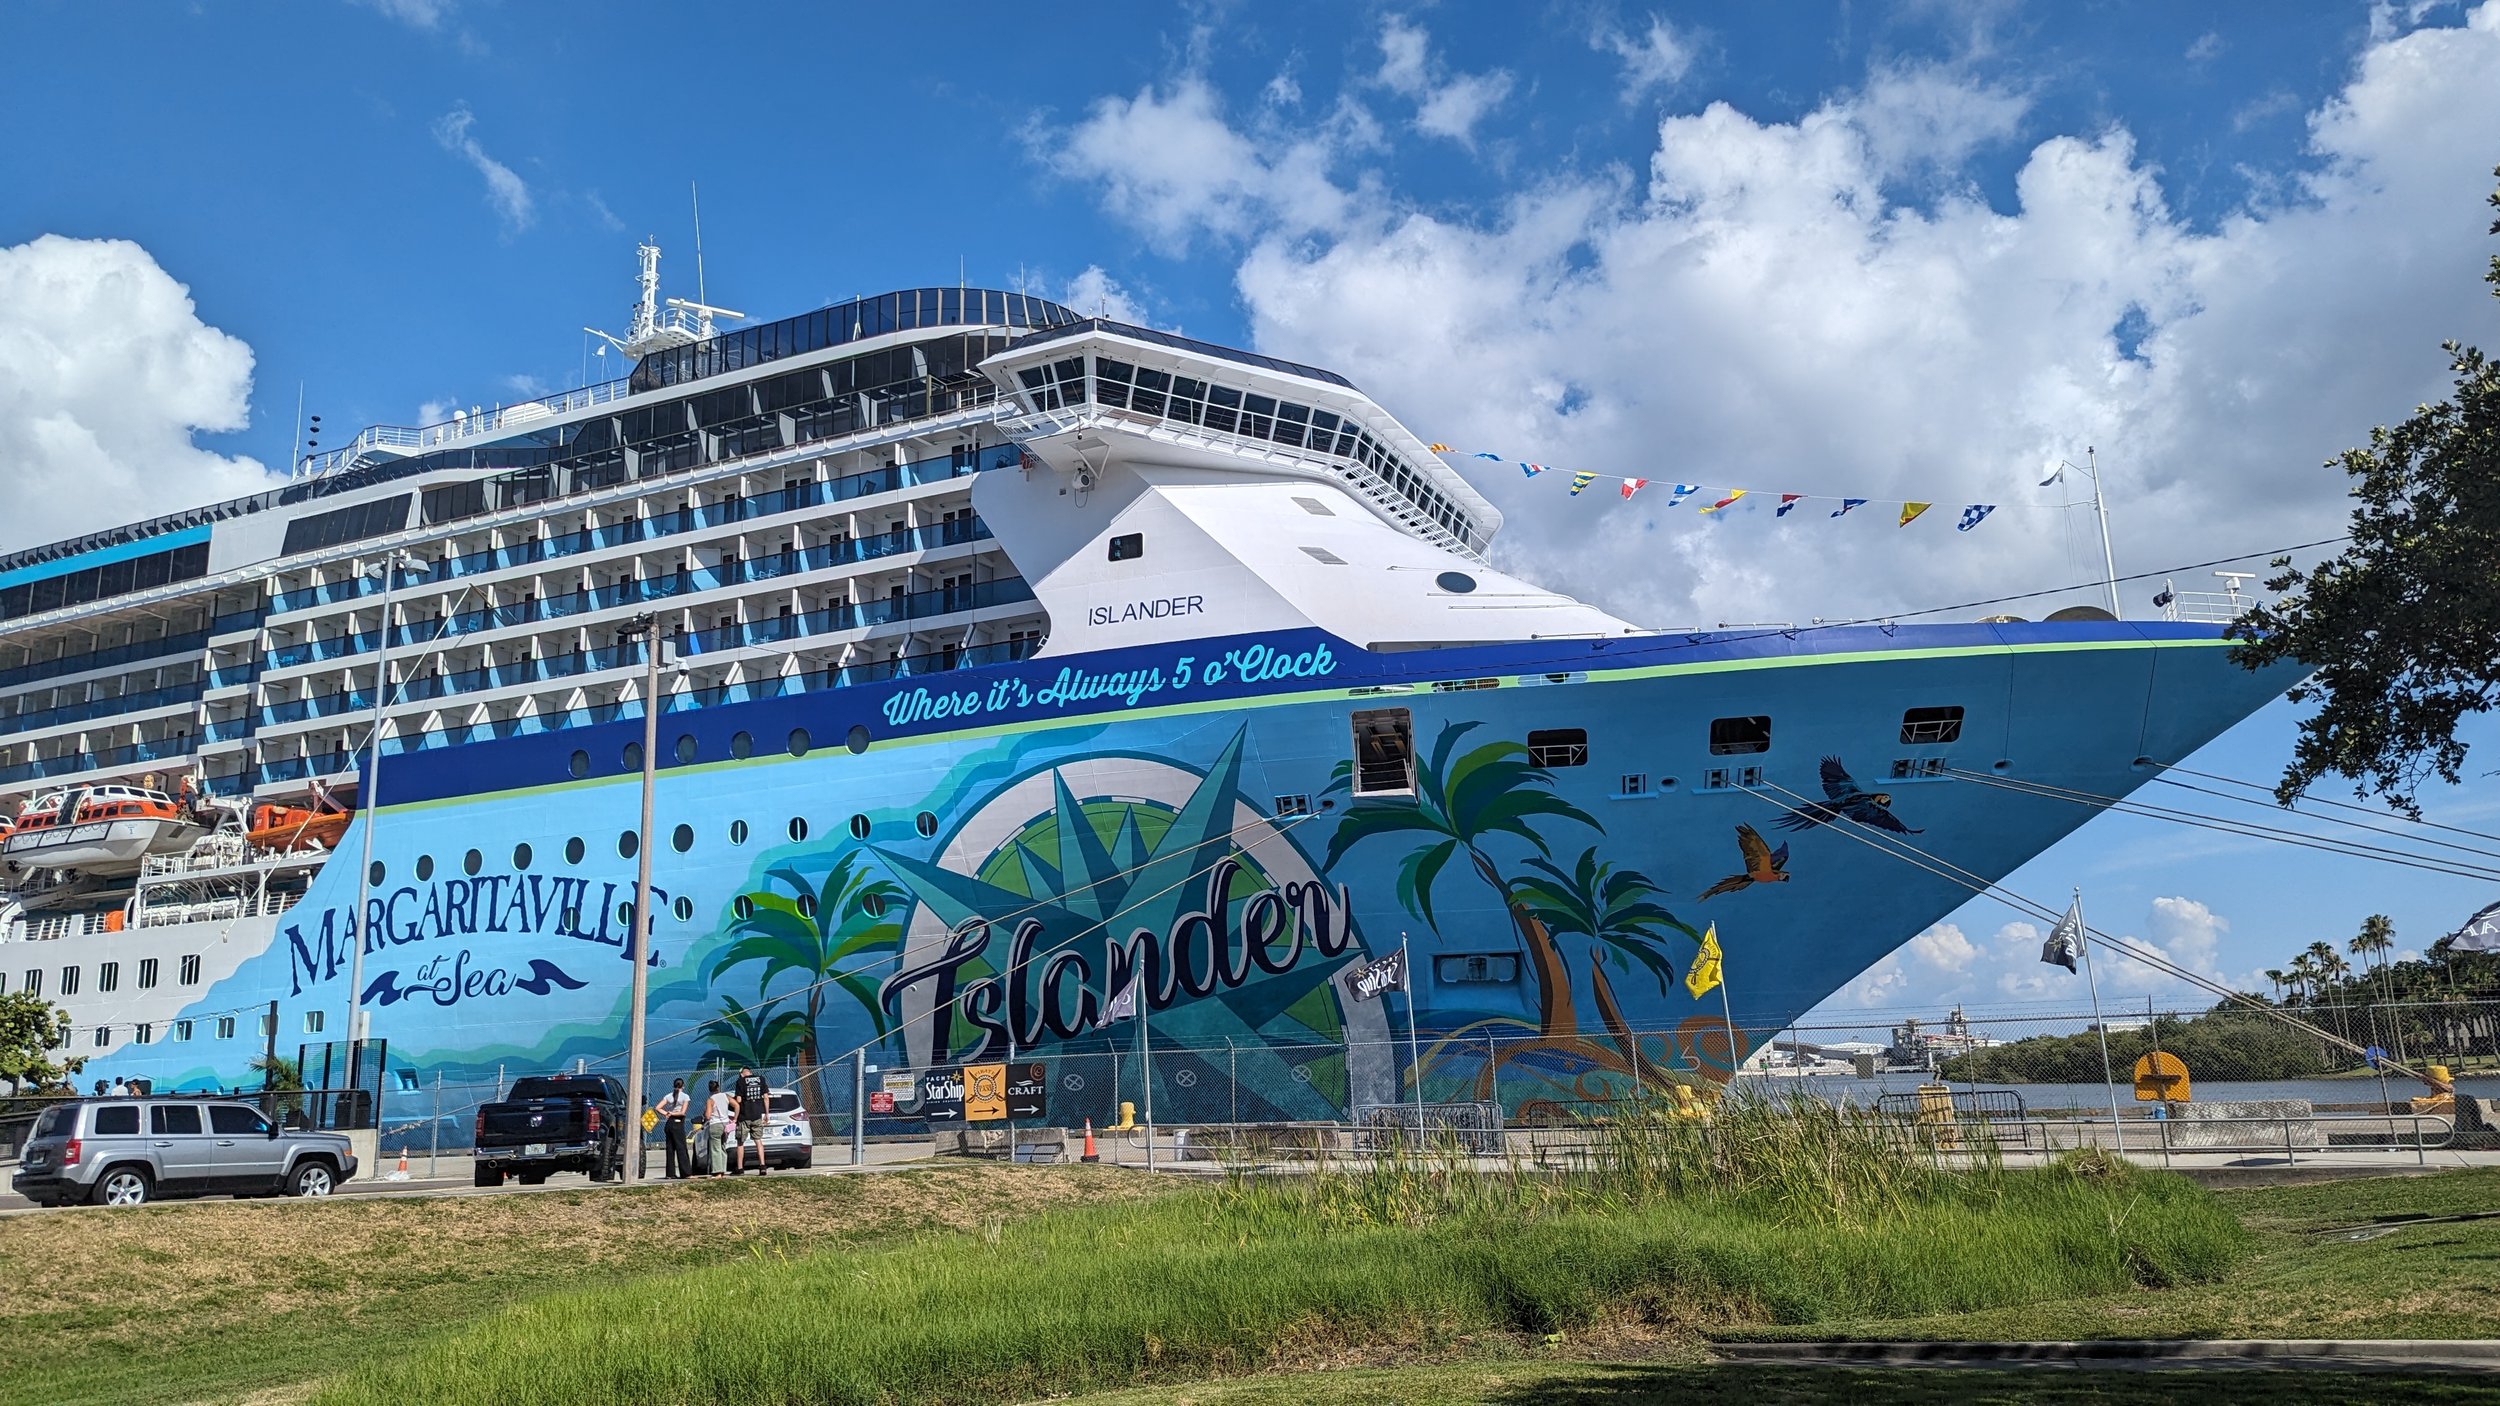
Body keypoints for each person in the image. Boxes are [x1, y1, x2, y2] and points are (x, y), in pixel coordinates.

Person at [732, 1065, 771, 1175]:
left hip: (744, 1116)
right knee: (758, 1141)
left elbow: (739, 1099)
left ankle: (740, 1168)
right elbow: (766, 1097)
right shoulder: (761, 1079)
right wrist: (767, 1114)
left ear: (741, 1073)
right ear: (750, 1072)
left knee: (740, 1142)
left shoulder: (740, 1081)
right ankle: (762, 1166)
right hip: (757, 1115)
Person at [656, 1078, 692, 1179]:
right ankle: (686, 1173)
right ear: (683, 1086)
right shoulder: (685, 1097)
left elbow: (658, 1107)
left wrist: (667, 1113)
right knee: (681, 1148)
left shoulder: (668, 1096)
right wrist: (673, 1113)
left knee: (670, 1149)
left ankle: (670, 1173)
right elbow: (682, 1112)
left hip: (669, 1123)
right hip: (678, 1122)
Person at [701, 1078, 734, 1178]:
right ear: (718, 1087)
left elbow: (707, 1115)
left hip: (715, 1124)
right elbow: (736, 1105)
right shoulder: (725, 1096)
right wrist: (735, 1118)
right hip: (725, 1124)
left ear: (710, 1089)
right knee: (723, 1147)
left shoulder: (710, 1100)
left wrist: (705, 1113)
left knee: (715, 1148)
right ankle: (723, 1170)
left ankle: (717, 1172)